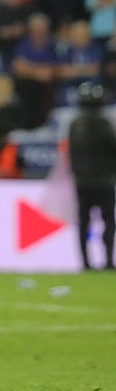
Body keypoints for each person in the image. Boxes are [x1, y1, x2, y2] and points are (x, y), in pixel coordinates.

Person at [67, 81, 116, 270]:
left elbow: (71, 154)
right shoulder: (105, 124)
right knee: (108, 221)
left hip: (82, 181)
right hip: (104, 181)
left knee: (83, 222)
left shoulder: (75, 125)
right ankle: (109, 262)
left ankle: (85, 263)